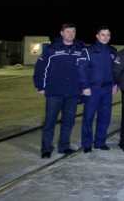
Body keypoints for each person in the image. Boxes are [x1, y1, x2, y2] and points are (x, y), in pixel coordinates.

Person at [33, 23, 86, 158]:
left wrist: (83, 87)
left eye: (73, 32)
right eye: (68, 32)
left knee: (68, 121)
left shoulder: (80, 50)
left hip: (73, 93)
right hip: (54, 92)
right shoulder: (51, 50)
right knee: (50, 121)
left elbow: (85, 70)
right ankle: (46, 148)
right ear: (62, 33)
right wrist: (41, 86)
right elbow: (41, 68)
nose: (71, 34)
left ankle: (64, 146)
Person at [78, 25, 118, 153]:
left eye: (108, 35)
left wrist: (115, 84)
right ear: (97, 36)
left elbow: (116, 70)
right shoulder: (88, 51)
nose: (105, 37)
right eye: (103, 34)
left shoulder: (113, 51)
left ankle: (100, 142)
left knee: (105, 117)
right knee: (89, 117)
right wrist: (85, 86)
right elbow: (82, 70)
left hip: (107, 90)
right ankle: (87, 144)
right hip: (93, 89)